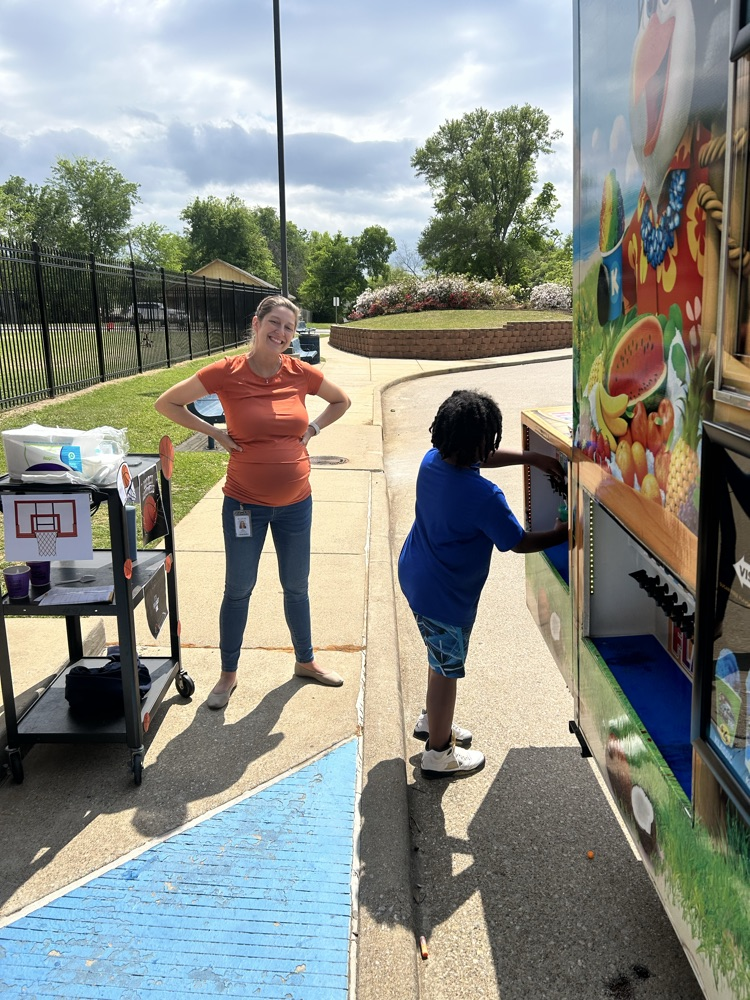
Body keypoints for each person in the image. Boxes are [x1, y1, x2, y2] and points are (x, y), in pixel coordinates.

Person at [155, 295, 351, 709]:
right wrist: (219, 435)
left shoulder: (300, 372)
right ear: (257, 323)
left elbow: (341, 401)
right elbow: (167, 402)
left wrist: (313, 428)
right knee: (239, 588)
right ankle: (228, 674)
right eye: (274, 323)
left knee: (296, 586)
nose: (281, 334)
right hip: (244, 503)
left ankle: (306, 661)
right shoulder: (227, 373)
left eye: (289, 328)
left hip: (297, 503)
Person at [398, 389, 567, 778]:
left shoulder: (432, 461)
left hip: (417, 578)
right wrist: (564, 532)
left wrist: (528, 456)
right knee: (446, 672)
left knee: (437, 658)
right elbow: (518, 542)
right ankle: (439, 753)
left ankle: (432, 721)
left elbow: (477, 459)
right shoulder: (483, 495)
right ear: (478, 445)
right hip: (444, 597)